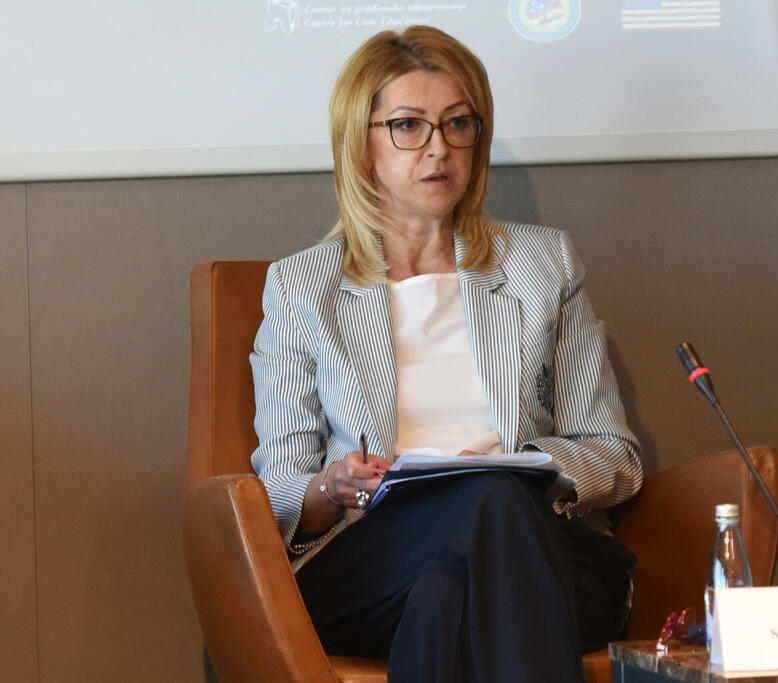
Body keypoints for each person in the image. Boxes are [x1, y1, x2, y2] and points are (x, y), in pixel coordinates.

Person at [249, 25, 643, 682]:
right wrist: (333, 484)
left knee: (446, 590)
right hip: (371, 559)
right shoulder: (303, 288)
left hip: (540, 546)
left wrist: (521, 468)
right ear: (361, 145)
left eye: (458, 123)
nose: (439, 147)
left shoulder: (542, 265)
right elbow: (278, 495)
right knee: (482, 519)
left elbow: (615, 456)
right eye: (409, 126)